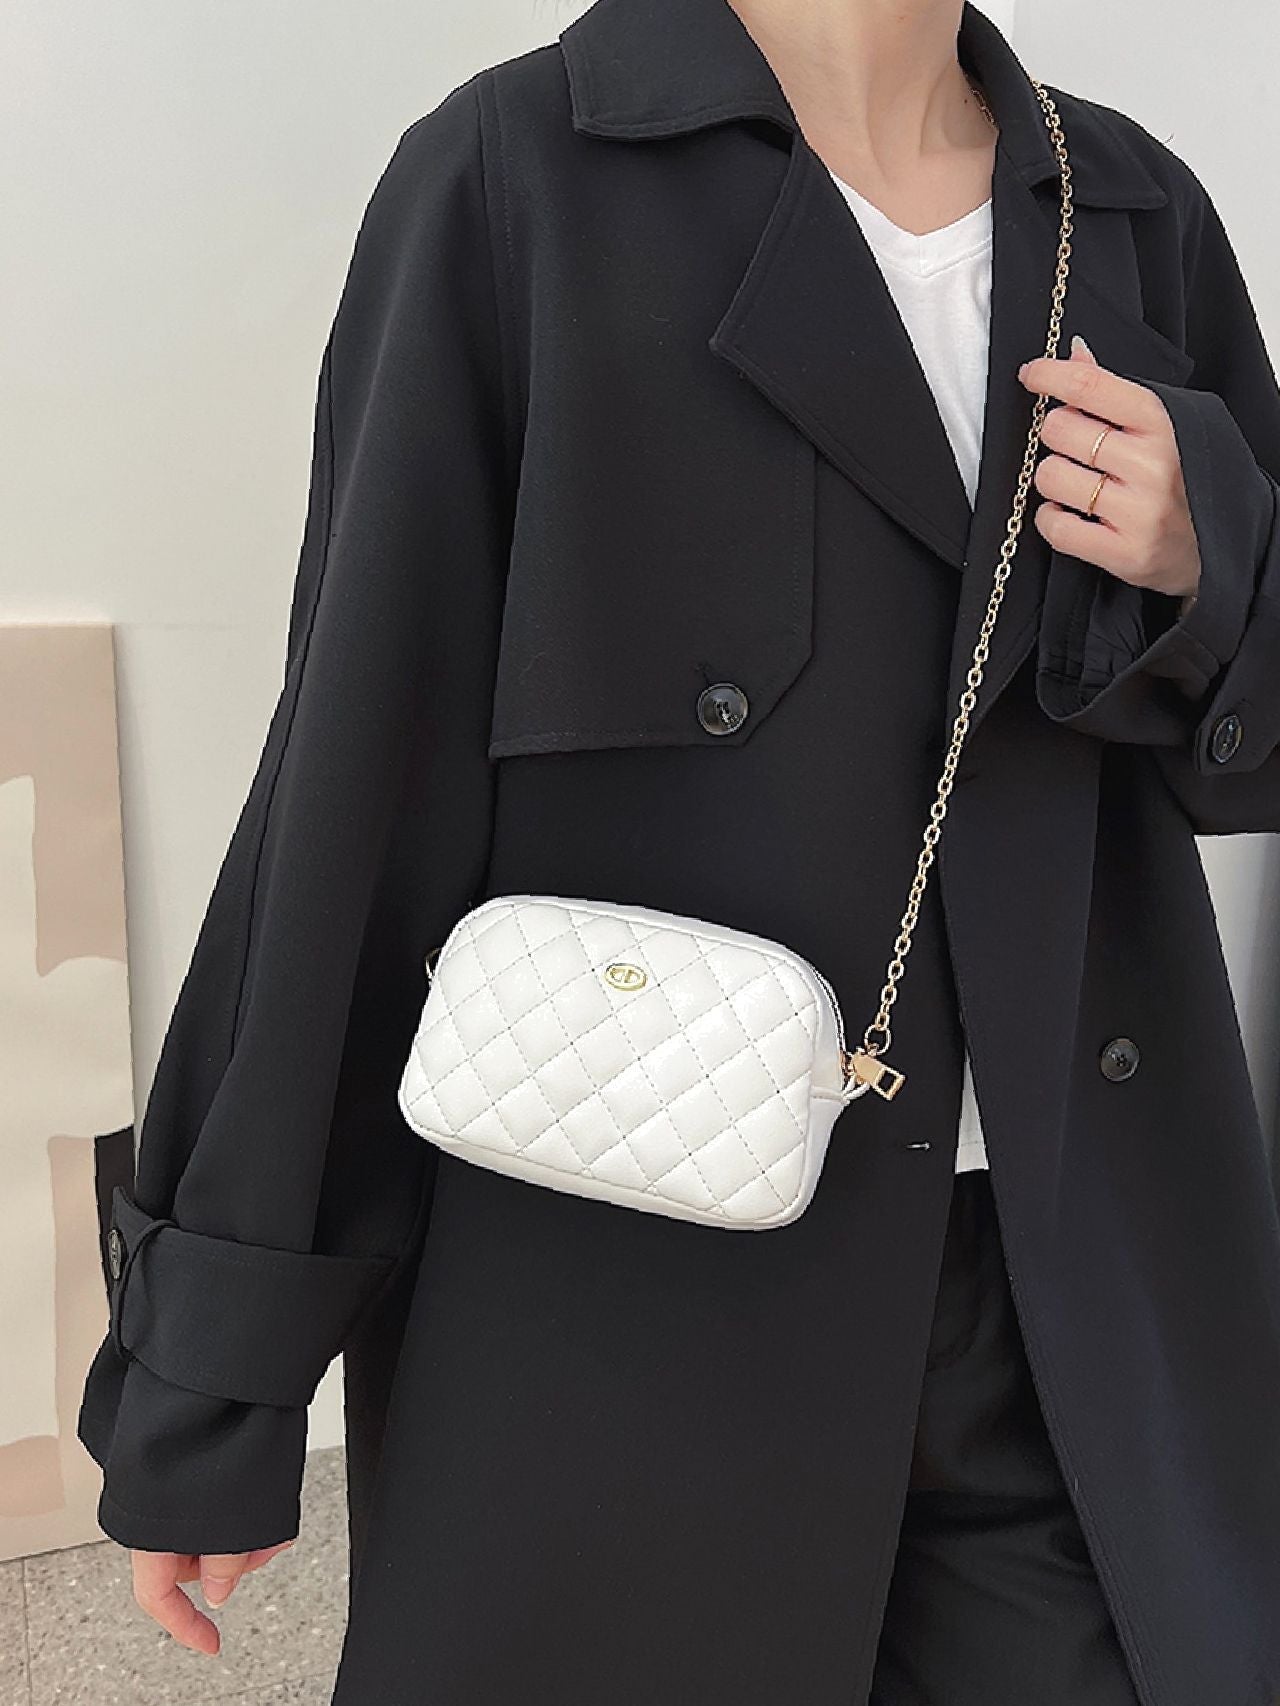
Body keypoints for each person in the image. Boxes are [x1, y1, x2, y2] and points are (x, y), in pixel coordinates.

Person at [79, 0, 1280, 1702]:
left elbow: (1248, 755)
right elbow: (354, 780)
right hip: (635, 1301)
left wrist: (1212, 554)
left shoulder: (1128, 208)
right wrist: (215, 1361)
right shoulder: (514, 178)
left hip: (1063, 1293)